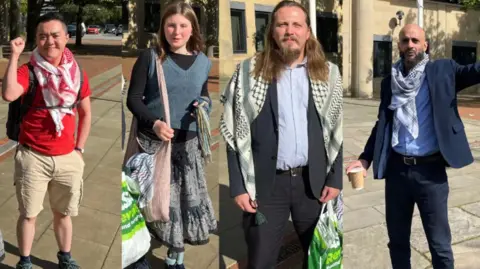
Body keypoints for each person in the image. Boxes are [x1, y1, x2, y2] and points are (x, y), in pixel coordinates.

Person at [219, 1, 343, 268]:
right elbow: (234, 134)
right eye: (282, 24)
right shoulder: (249, 73)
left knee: (321, 259)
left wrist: (335, 178)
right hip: (266, 188)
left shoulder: (328, 74)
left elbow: (335, 130)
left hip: (313, 186)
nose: (290, 31)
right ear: (272, 31)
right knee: (260, 262)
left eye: (297, 24)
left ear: (307, 32)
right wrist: (238, 187)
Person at [345, 24, 480, 269]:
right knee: (397, 242)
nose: (410, 45)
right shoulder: (390, 82)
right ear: (399, 45)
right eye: (405, 40)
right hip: (397, 173)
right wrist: (365, 159)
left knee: (439, 244)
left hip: (431, 173)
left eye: (415, 40)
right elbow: (382, 124)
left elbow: (475, 70)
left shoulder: (443, 71)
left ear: (425, 45)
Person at [124, 1, 217, 268]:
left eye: (183, 26)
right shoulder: (150, 58)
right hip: (154, 145)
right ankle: (140, 253)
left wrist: (205, 105)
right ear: (163, 27)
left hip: (188, 147)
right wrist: (154, 123)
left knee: (181, 205)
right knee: (153, 203)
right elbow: (134, 99)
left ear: (192, 29)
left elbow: (204, 94)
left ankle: (176, 256)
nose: (176, 31)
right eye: (171, 25)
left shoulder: (203, 62)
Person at [1, 13, 91, 269]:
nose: (49, 41)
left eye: (54, 35)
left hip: (68, 159)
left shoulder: (76, 73)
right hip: (33, 158)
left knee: (63, 214)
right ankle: (26, 261)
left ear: (66, 37)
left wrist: (79, 149)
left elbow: (85, 112)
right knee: (29, 214)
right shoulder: (28, 71)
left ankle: (65, 257)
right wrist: (15, 56)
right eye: (42, 36)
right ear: (37, 41)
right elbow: (8, 94)